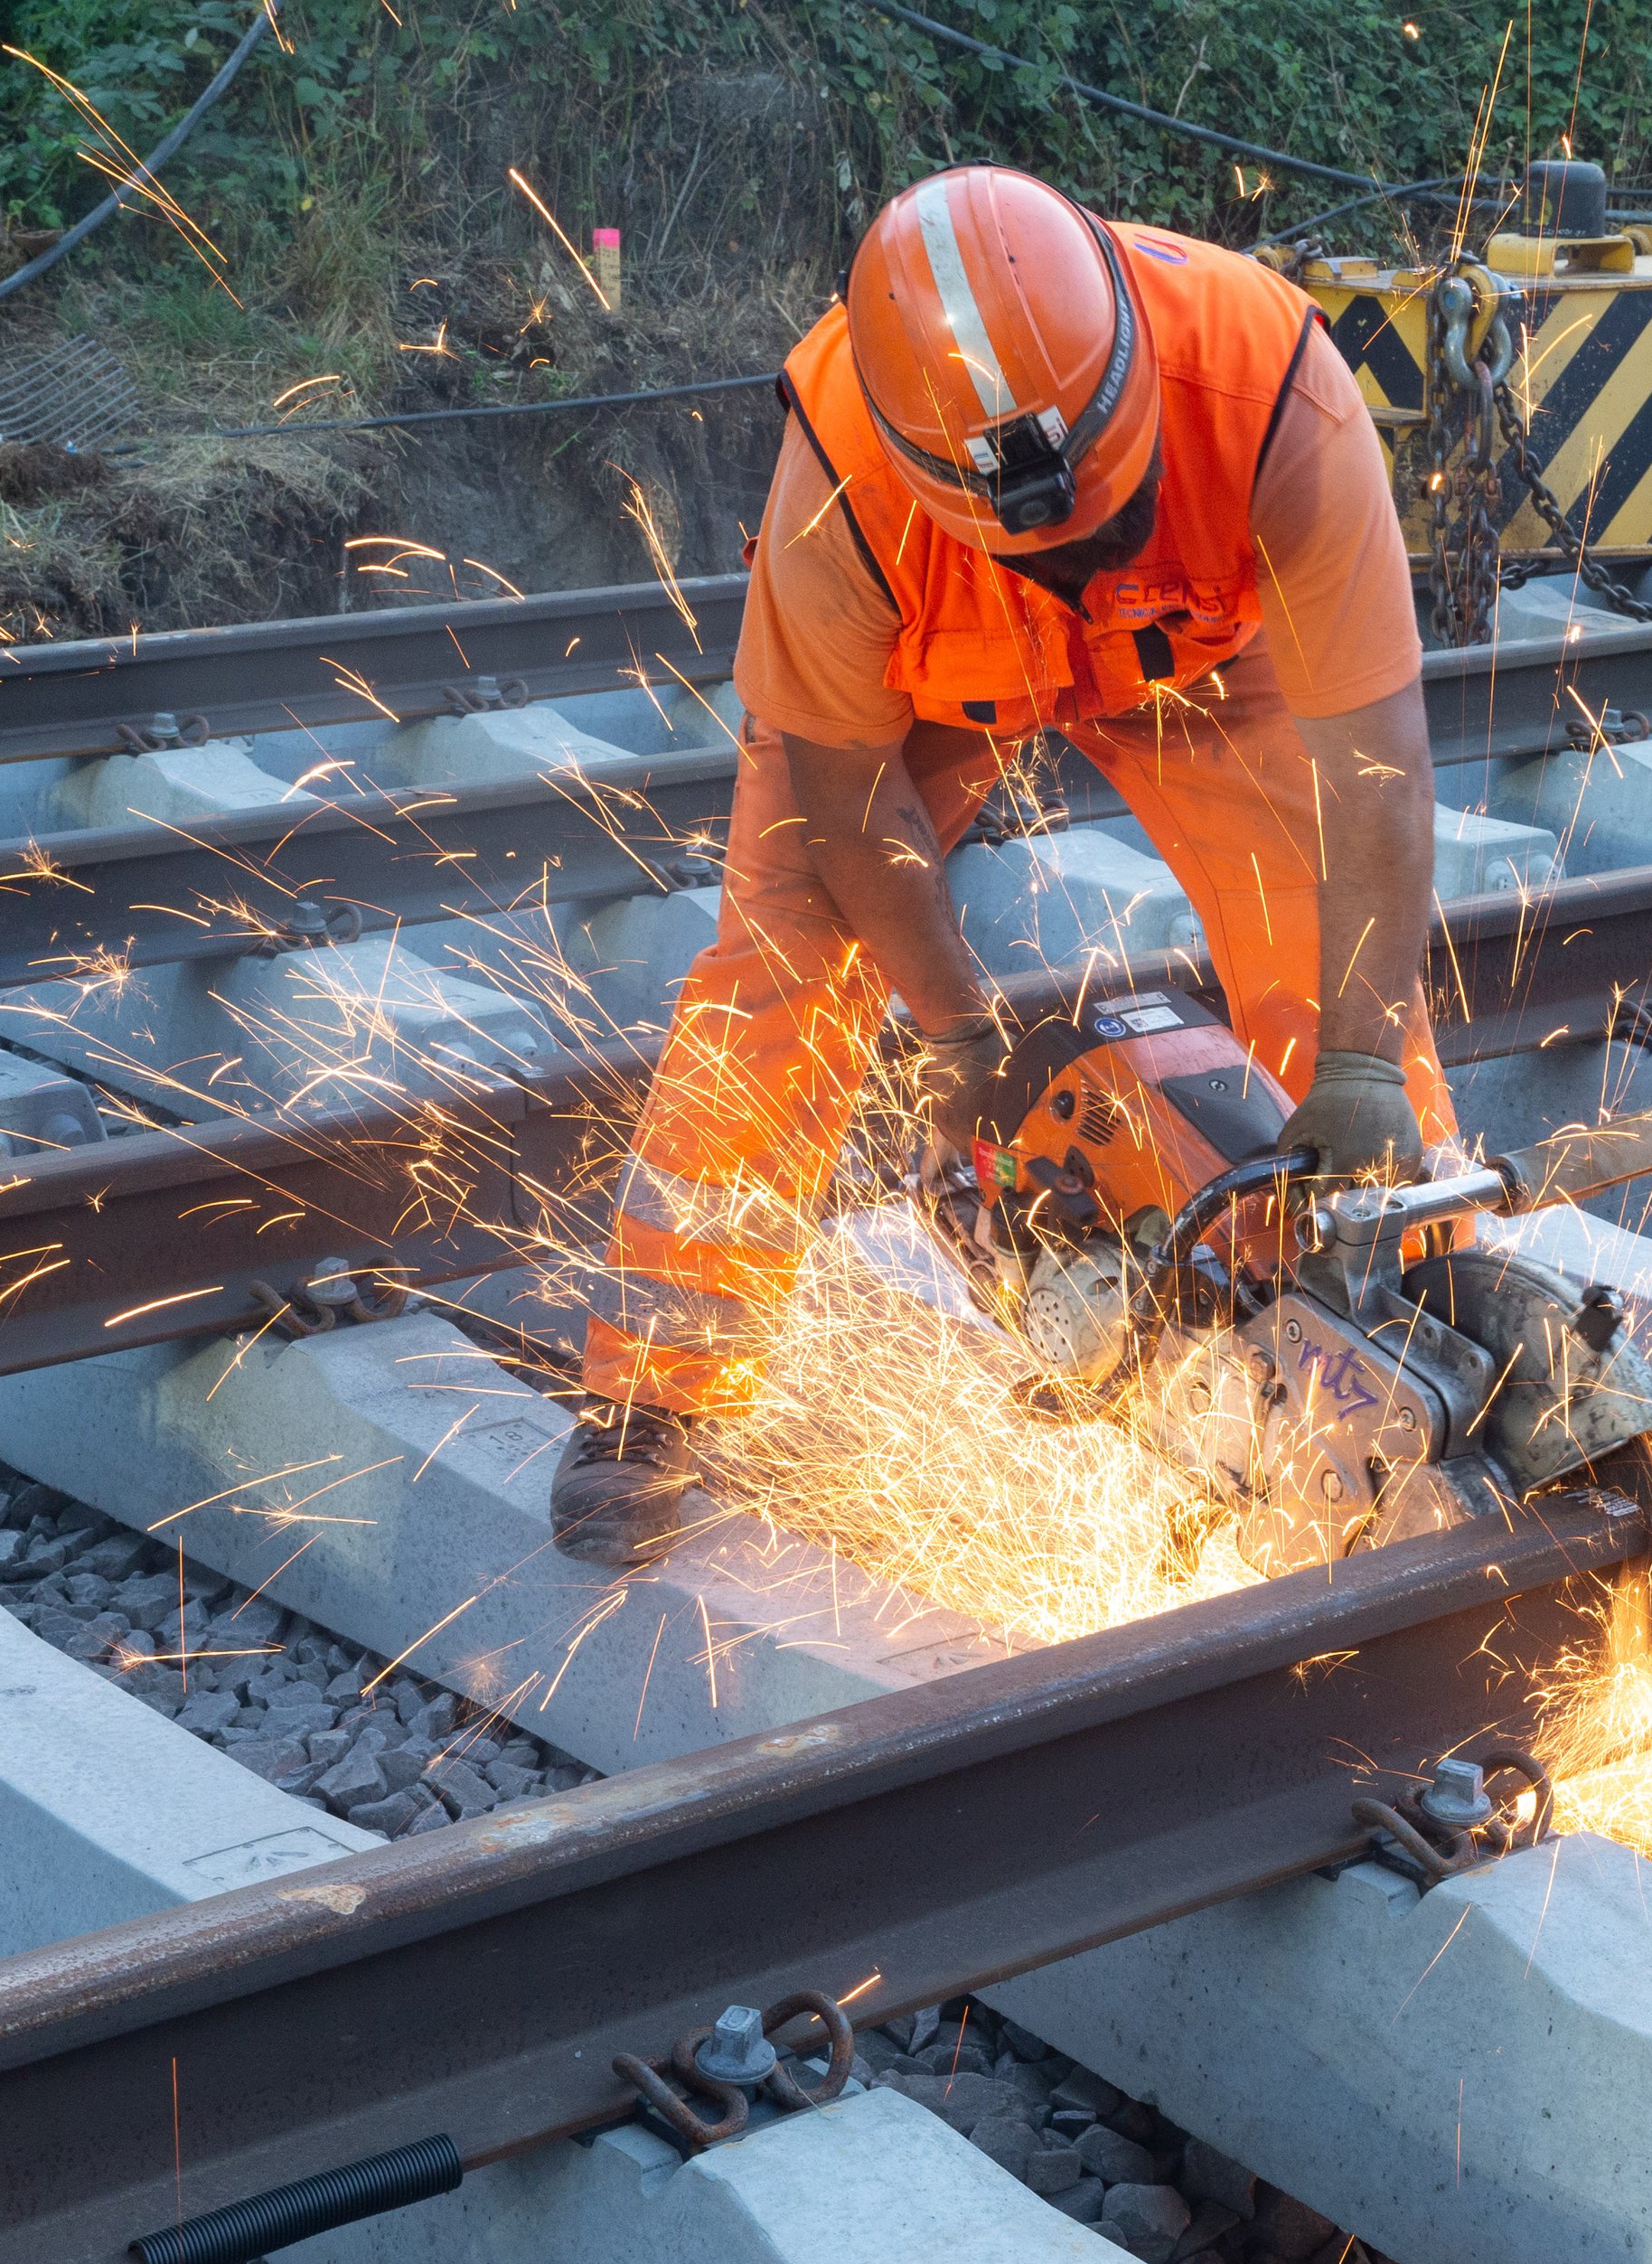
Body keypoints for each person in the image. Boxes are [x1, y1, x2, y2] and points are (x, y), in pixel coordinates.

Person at [554, 162, 1454, 1562]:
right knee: (786, 953)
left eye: (1104, 516)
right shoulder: (842, 473)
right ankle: (655, 1389)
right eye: (1049, 539)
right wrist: (959, 1031)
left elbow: (1377, 772)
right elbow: (844, 800)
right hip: (933, 675)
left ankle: (1427, 1314)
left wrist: (1353, 1070)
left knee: (1326, 950)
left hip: (1201, 647)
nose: (1079, 551)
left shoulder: (1272, 383)